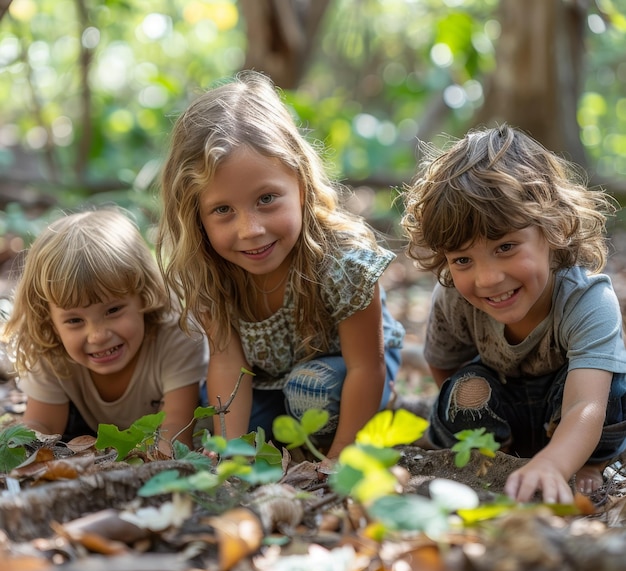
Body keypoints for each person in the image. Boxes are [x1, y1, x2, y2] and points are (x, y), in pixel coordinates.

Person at [156, 70, 405, 466]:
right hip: (270, 382)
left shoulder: (341, 261)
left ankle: (356, 427)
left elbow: (366, 365)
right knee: (219, 415)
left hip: (353, 371)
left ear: (301, 186)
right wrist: (230, 451)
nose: (250, 230)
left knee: (311, 390)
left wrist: (342, 458)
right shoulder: (208, 270)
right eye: (223, 210)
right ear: (196, 217)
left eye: (267, 199)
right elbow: (226, 363)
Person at [401, 123, 626, 504]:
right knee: (465, 389)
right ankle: (495, 459)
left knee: (615, 394)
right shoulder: (454, 299)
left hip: (567, 416)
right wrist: (467, 413)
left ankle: (587, 464)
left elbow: (584, 405)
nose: (487, 278)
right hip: (500, 412)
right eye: (462, 259)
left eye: (505, 247)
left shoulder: (586, 300)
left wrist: (556, 463)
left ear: (553, 228)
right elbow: (445, 369)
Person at [3, 208, 208, 451]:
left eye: (113, 311)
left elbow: (173, 428)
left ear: (144, 296)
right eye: (75, 321)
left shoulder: (176, 335)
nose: (98, 335)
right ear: (49, 320)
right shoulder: (51, 350)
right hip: (86, 433)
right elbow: (44, 424)